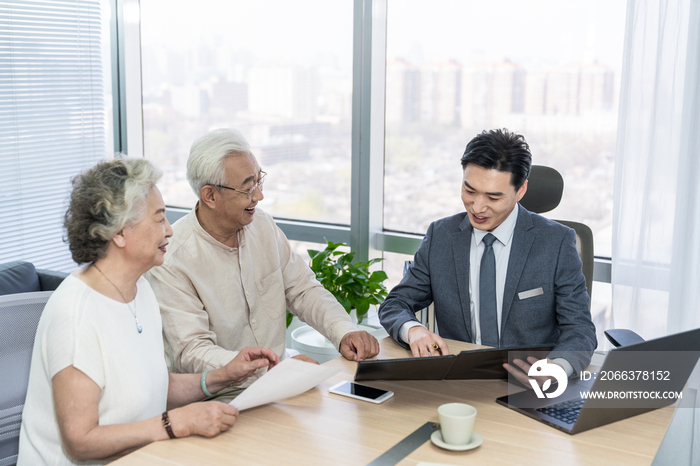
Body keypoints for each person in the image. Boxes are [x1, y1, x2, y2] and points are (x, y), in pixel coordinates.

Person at [18, 158, 279, 465]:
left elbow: (150, 386)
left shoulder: (140, 289)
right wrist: (174, 423)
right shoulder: (75, 315)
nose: (169, 230)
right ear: (119, 232)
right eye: (158, 219)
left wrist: (222, 377)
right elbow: (80, 441)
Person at [146, 128, 379, 400]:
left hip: (279, 384)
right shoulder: (173, 259)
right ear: (210, 195)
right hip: (219, 397)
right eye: (247, 188)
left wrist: (344, 331)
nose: (259, 196)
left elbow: (303, 289)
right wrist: (271, 370)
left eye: (259, 181)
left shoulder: (263, 225)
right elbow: (193, 351)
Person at [378, 128, 596, 383]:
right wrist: (413, 330)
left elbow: (580, 329)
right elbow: (395, 304)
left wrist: (557, 369)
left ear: (521, 190)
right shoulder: (441, 236)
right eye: (470, 191)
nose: (478, 207)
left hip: (531, 384)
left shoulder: (556, 242)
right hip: (461, 381)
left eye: (493, 197)